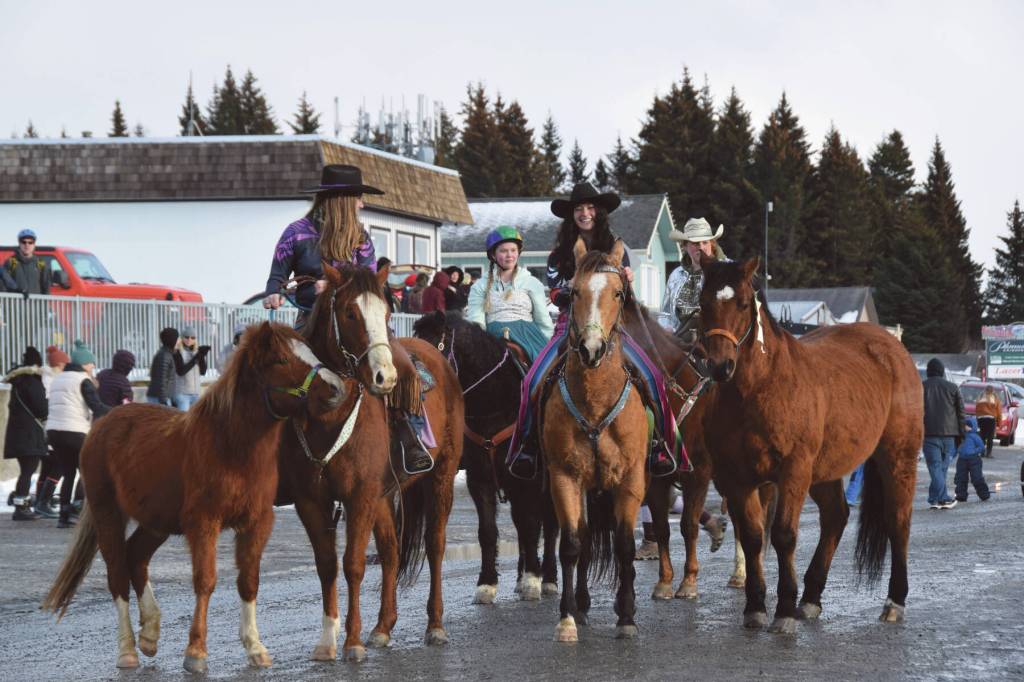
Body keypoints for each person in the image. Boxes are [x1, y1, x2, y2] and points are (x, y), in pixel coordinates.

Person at [262, 164, 432, 473]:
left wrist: (338, 286)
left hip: (361, 323)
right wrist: (273, 292)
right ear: (341, 200)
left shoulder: (360, 237)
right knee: (276, 372)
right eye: (357, 198)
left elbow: (367, 281)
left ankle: (408, 434)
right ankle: (268, 446)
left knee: (404, 368)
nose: (362, 204)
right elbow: (276, 276)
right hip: (311, 321)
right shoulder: (296, 233)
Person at [507, 181, 678, 480]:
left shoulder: (616, 249)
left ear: (598, 212)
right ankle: (528, 446)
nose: (584, 213)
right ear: (571, 214)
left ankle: (661, 447)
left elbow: (625, 297)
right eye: (578, 209)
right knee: (532, 381)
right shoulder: (558, 255)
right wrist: (572, 286)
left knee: (652, 377)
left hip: (614, 329)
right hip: (569, 327)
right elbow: (555, 295)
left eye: (589, 208)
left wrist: (627, 280)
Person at [46, 340, 110, 527]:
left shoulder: (59, 378)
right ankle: (75, 511)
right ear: (83, 364)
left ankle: (63, 515)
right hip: (75, 431)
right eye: (91, 363)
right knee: (86, 471)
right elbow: (96, 407)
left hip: (54, 431)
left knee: (68, 474)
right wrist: (118, 411)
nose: (93, 366)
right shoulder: (83, 380)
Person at [465, 226, 554, 360]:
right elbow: (476, 321)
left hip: (529, 338)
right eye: (503, 251)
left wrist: (549, 345)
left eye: (513, 250)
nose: (509, 255)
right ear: (493, 255)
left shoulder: (532, 283)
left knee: (545, 376)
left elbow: (543, 319)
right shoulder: (479, 286)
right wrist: (478, 345)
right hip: (493, 339)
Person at [660, 218, 729, 345]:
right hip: (681, 342)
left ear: (712, 244)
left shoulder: (728, 270)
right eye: (696, 243)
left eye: (705, 242)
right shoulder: (676, 275)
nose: (701, 248)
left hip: (719, 342)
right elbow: (666, 313)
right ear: (685, 246)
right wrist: (666, 329)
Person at [3, 347, 48, 521]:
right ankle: (20, 507)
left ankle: (20, 501)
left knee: (26, 470)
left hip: (17, 433)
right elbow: (41, 408)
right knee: (28, 471)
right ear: (37, 363)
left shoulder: (19, 381)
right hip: (30, 434)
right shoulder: (32, 381)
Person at [923, 358, 965, 510]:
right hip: (949, 435)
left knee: (935, 468)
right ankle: (943, 498)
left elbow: (915, 413)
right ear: (942, 371)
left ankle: (935, 498)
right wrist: (961, 435)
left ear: (928, 371)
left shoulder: (922, 387)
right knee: (942, 468)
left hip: (928, 435)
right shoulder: (953, 387)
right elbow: (961, 412)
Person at [954, 416, 990, 502]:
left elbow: (981, 447)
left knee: (976, 477)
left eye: (968, 425)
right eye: (965, 425)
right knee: (960, 478)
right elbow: (956, 446)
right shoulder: (961, 436)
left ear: (972, 426)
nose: (965, 427)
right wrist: (956, 452)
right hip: (962, 459)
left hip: (974, 459)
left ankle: (984, 494)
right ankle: (961, 495)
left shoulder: (975, 436)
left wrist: (974, 451)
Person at [4, 228, 51, 295]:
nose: (27, 245)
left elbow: (46, 289)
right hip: (15, 304)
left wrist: (44, 304)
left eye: (30, 242)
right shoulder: (10, 262)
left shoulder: (41, 263)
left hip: (35, 304)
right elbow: (3, 286)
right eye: (24, 242)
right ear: (19, 243)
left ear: (34, 244)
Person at [173, 325, 210, 410]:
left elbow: (203, 372)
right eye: (187, 337)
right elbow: (181, 371)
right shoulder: (177, 352)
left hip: (196, 393)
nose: (189, 339)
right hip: (182, 394)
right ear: (182, 338)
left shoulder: (196, 352)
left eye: (192, 337)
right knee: (183, 420)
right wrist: (196, 358)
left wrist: (202, 356)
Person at [146, 327, 178, 407]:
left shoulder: (167, 354)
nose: (179, 341)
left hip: (162, 397)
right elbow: (161, 380)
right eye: (178, 338)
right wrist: (164, 402)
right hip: (159, 398)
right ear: (173, 340)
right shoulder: (164, 356)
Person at [974, 385, 1002, 458]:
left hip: (981, 419)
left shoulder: (980, 398)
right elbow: (999, 411)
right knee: (990, 437)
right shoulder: (995, 398)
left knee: (982, 436)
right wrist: (999, 423)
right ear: (993, 391)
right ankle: (988, 453)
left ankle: (982, 452)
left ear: (985, 390)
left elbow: (976, 409)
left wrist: (977, 419)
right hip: (991, 419)